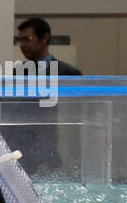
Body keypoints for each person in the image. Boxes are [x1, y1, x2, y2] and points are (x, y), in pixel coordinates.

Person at [6, 17, 81, 173]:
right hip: (20, 154)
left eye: (28, 39)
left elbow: (73, 117)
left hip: (52, 154)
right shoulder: (16, 73)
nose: (23, 45)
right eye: (20, 40)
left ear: (45, 38)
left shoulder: (68, 74)